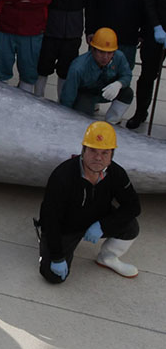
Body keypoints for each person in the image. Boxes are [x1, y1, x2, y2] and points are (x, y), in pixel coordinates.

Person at [36, 121, 140, 283]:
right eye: (93, 151)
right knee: (52, 275)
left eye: (105, 153)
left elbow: (133, 206)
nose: (98, 158)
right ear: (83, 150)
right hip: (66, 226)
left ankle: (107, 258)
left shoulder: (116, 173)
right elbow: (51, 219)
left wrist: (103, 225)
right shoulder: (63, 176)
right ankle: (47, 249)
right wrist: (56, 257)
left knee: (131, 226)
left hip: (96, 220)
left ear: (112, 155)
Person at [35, 0, 89, 101]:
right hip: (51, 32)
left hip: (72, 35)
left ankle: (63, 103)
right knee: (43, 68)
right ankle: (37, 98)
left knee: (66, 71)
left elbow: (91, 5)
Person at [60, 26, 133, 123]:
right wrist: (64, 116)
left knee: (127, 93)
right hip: (86, 95)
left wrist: (119, 84)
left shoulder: (119, 57)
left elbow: (127, 75)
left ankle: (112, 122)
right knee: (83, 119)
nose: (105, 57)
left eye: (110, 53)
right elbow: (68, 95)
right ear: (93, 49)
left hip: (106, 90)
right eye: (101, 52)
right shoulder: (78, 67)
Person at [127, 0, 166, 130]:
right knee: (147, 76)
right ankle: (141, 112)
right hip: (155, 33)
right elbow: (148, 0)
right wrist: (156, 26)